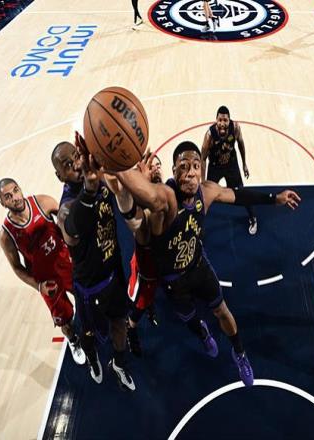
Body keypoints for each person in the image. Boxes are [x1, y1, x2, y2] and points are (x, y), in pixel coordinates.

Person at [114, 140, 301, 387]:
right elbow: (146, 197)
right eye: (184, 167)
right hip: (173, 281)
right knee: (191, 319)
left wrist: (274, 198)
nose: (191, 172)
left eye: (195, 166)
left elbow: (237, 195)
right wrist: (118, 167)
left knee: (223, 310)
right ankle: (202, 333)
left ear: (201, 168)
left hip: (199, 266)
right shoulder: (167, 198)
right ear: (174, 171)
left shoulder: (207, 191)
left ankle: (240, 353)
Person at [51, 138, 135, 391]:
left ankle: (119, 363)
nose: (76, 165)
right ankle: (92, 358)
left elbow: (123, 191)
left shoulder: (100, 180)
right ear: (59, 176)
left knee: (120, 322)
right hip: (90, 286)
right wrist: (88, 190)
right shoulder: (66, 207)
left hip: (113, 271)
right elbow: (71, 230)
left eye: (76, 156)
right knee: (89, 335)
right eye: (67, 165)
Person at [0, 178, 85, 366]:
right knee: (64, 319)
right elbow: (17, 268)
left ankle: (93, 326)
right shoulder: (6, 235)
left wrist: (76, 251)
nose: (15, 197)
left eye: (16, 190)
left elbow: (67, 224)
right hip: (46, 280)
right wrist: (38, 286)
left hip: (66, 264)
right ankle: (73, 340)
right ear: (2, 203)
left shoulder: (43, 202)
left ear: (20, 188)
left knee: (85, 297)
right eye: (8, 196)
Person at [125, 155, 163, 357]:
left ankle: (149, 306)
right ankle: (130, 329)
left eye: (158, 165)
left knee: (152, 295)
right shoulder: (142, 205)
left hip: (159, 266)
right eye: (152, 166)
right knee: (138, 307)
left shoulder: (166, 193)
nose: (155, 168)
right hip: (145, 270)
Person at [201, 106, 257, 234]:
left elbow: (241, 144)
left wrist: (244, 164)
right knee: (205, 196)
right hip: (215, 167)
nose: (222, 123)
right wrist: (202, 181)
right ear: (216, 120)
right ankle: (199, 226)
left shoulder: (235, 128)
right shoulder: (210, 135)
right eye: (220, 120)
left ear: (229, 120)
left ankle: (253, 217)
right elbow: (202, 158)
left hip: (231, 165)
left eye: (225, 120)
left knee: (241, 192)